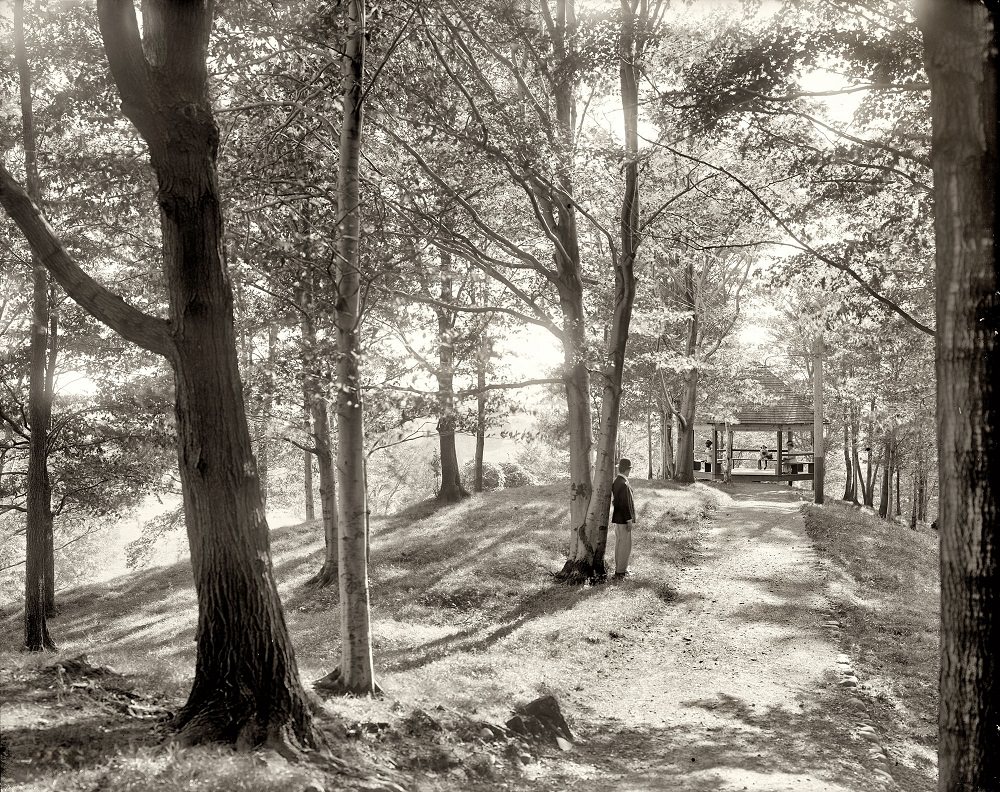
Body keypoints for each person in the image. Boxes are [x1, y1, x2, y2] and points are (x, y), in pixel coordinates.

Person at [611, 458, 636, 578]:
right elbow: (624, 504)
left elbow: (615, 501)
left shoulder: (617, 481)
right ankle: (621, 571)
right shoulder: (623, 483)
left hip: (618, 519)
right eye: (629, 469)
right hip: (623, 520)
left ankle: (620, 569)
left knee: (620, 544)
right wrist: (629, 519)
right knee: (625, 546)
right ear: (627, 469)